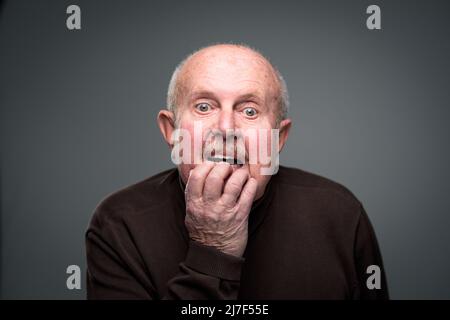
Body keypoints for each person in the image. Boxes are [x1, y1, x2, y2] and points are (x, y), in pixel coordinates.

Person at [86, 43, 388, 299]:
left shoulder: (340, 214)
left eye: (249, 111)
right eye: (204, 107)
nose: (226, 129)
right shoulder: (119, 223)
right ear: (171, 130)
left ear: (278, 138)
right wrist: (213, 252)